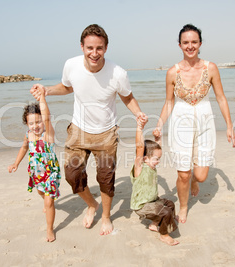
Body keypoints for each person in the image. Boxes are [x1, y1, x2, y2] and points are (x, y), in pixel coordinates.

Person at [30, 24, 146, 235]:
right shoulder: (71, 65)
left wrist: (138, 112)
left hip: (106, 134)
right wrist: (47, 90)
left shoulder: (117, 73)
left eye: (99, 48)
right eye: (90, 48)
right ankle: (92, 204)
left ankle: (106, 216)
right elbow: (67, 87)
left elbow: (127, 96)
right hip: (78, 131)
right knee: (72, 174)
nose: (94, 53)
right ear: (82, 46)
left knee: (106, 179)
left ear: (106, 48)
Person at [153, 24, 235, 224]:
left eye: (194, 42)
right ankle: (183, 206)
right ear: (180, 45)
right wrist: (159, 124)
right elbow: (169, 101)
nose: (190, 46)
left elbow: (221, 98)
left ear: (200, 44)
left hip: (205, 120)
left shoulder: (211, 68)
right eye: (186, 42)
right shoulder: (172, 72)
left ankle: (193, 181)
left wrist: (230, 125)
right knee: (183, 173)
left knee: (200, 175)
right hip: (180, 122)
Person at [8, 86, 61, 242]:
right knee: (40, 192)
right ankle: (44, 198)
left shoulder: (48, 134)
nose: (36, 125)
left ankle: (50, 229)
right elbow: (24, 148)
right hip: (36, 172)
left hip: (50, 173)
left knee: (49, 200)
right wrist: (16, 163)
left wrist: (42, 98)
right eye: (31, 123)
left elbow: (46, 117)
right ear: (26, 124)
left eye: (38, 121)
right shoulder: (28, 135)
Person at [130, 115, 179, 246]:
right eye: (156, 159)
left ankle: (155, 223)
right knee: (165, 212)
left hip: (153, 200)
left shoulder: (151, 166)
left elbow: (157, 149)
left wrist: (158, 139)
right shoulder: (140, 167)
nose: (158, 161)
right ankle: (164, 235)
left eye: (158, 159)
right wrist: (139, 127)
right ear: (145, 158)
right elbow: (140, 148)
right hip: (142, 205)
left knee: (170, 204)